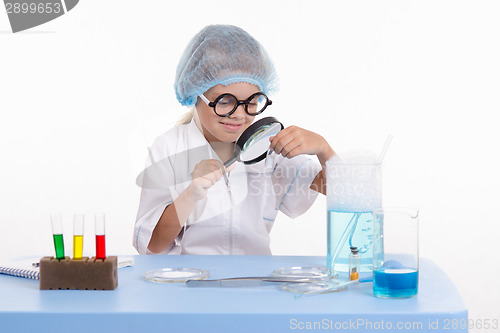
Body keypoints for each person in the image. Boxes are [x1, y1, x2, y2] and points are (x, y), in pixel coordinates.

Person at [133, 25, 334, 255]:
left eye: (252, 101)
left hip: (256, 280)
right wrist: (191, 193)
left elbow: (342, 194)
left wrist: (323, 150)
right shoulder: (169, 148)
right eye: (225, 100)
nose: (240, 114)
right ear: (195, 94)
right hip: (195, 283)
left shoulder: (268, 147)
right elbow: (153, 245)